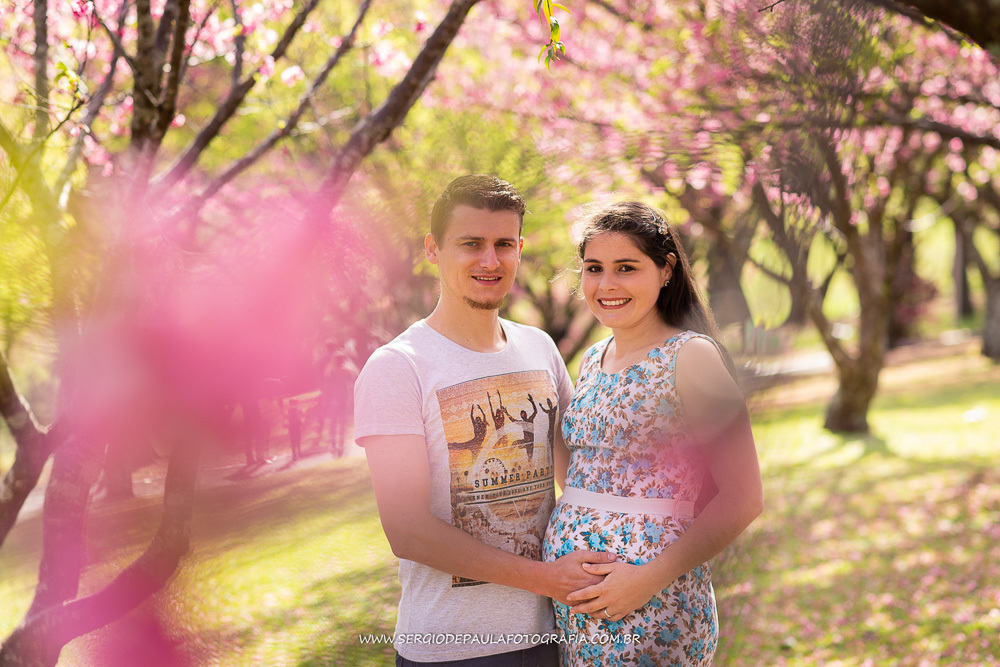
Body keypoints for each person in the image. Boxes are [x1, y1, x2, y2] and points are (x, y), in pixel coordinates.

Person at [354, 175, 616, 667]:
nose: (489, 261)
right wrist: (546, 578)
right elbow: (406, 529)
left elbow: (578, 477)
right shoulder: (397, 367)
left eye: (503, 244)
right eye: (470, 244)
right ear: (433, 248)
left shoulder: (539, 347)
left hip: (552, 636)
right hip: (451, 650)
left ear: (520, 248)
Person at [541, 201, 764, 666]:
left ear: (665, 271)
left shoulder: (691, 356)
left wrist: (645, 579)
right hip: (578, 609)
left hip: (653, 603)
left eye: (626, 268)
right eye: (593, 269)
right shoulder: (591, 359)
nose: (607, 285)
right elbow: (584, 478)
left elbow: (744, 497)